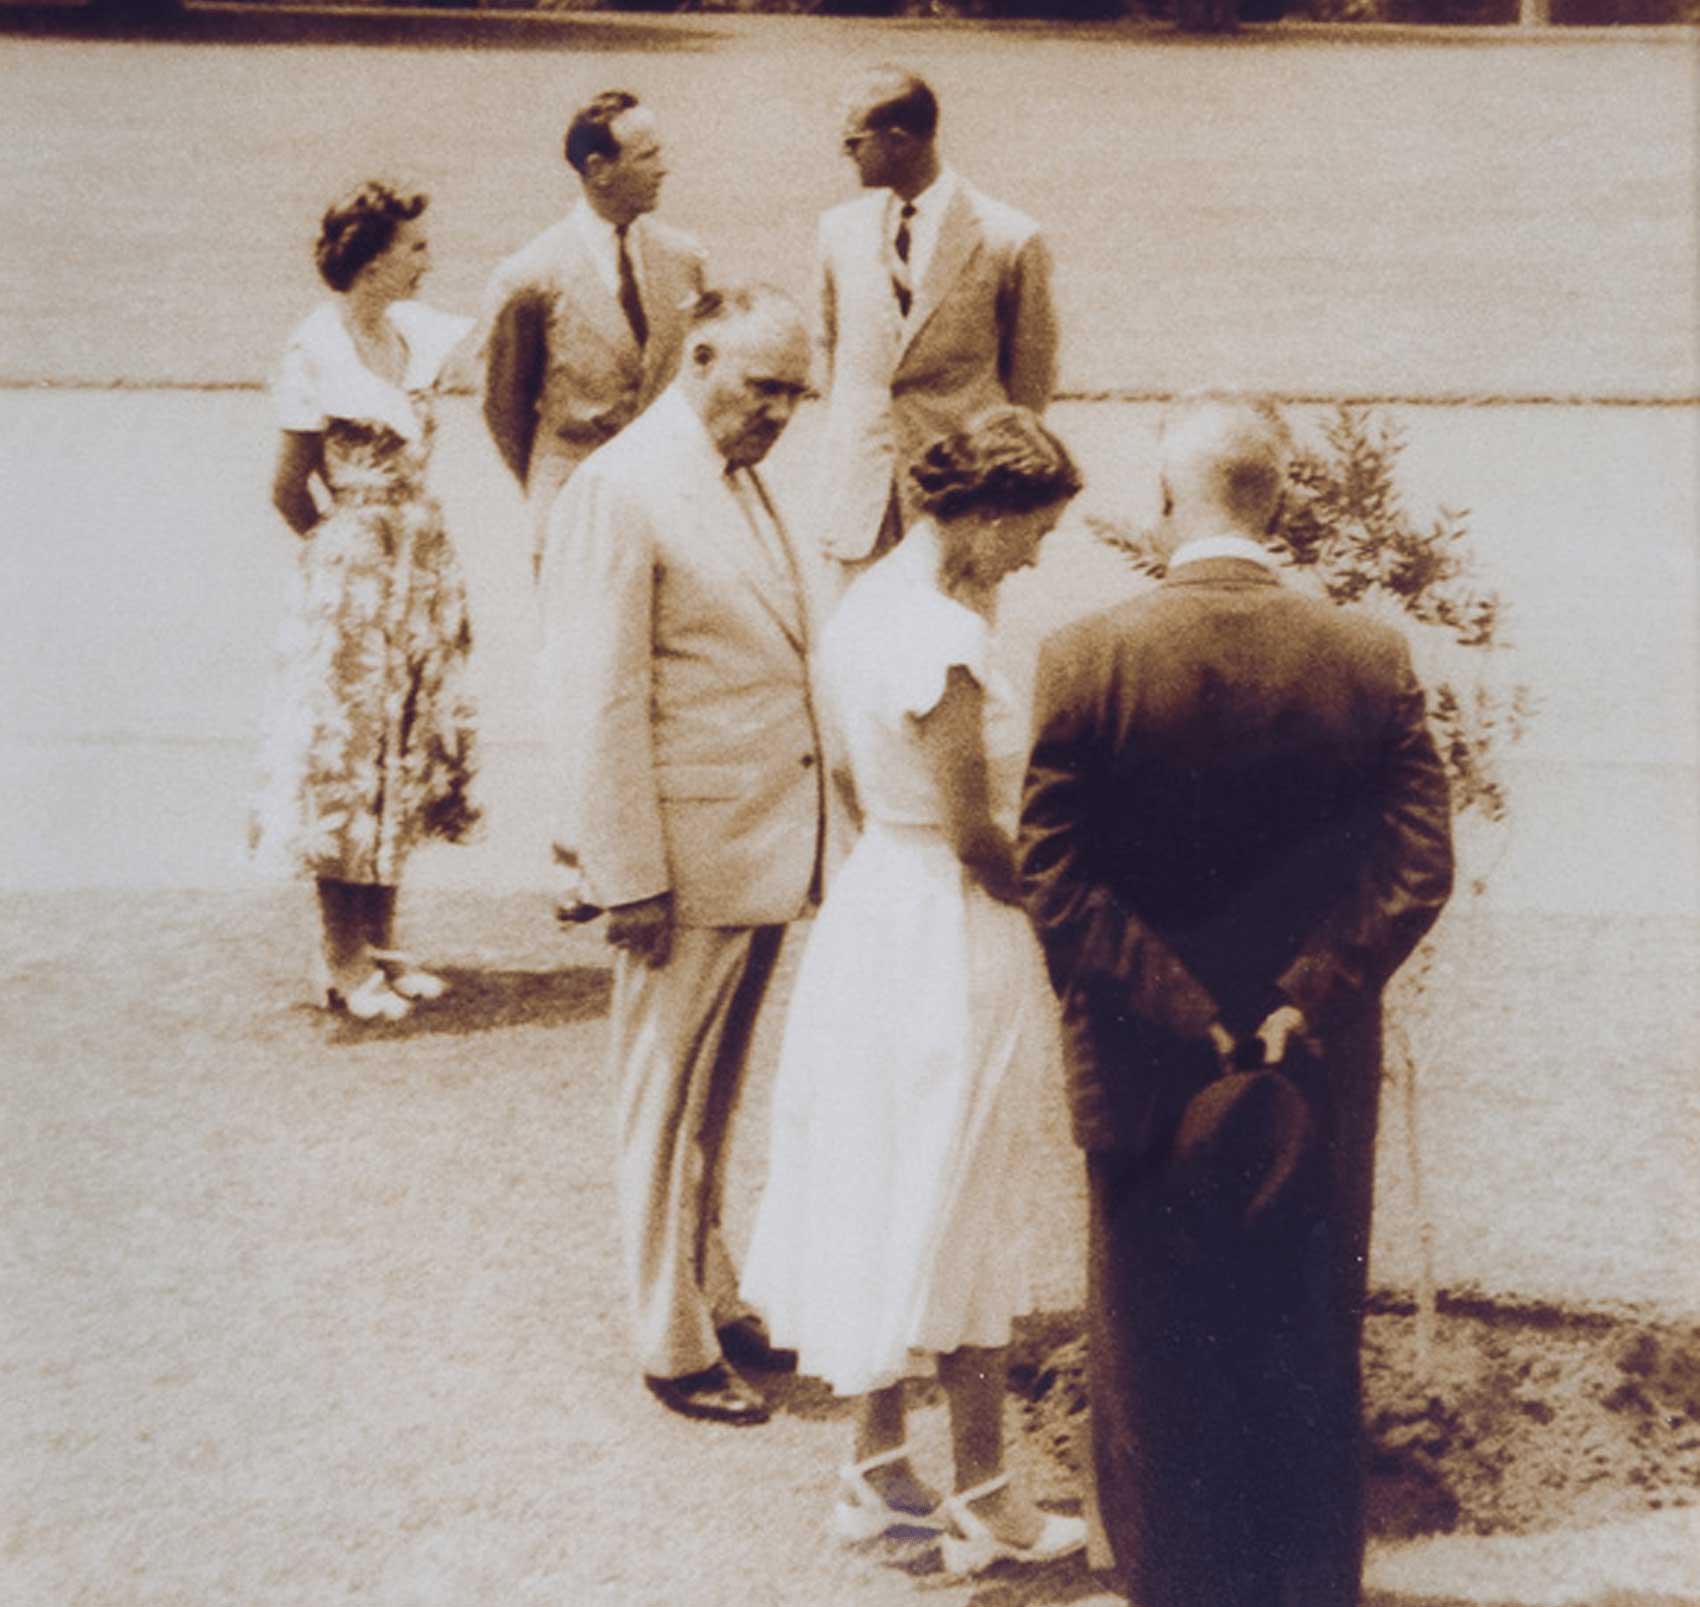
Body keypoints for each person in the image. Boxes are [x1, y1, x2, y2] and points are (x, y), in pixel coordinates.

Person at [1019, 398, 1456, 1607]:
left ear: (1168, 503)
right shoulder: (1368, 658)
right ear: (1277, 500)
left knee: (1153, 1354)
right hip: (1309, 1067)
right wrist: (1298, 999)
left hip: (1143, 1064)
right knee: (1305, 1338)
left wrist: (1185, 1007)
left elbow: (1053, 876)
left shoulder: (1085, 657)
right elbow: (1416, 866)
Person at [741, 405, 1088, 1576]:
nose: (1037, 555)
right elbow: (979, 836)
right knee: (959, 1181)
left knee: (893, 1174)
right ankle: (985, 1496)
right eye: (1032, 532)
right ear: (982, 517)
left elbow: (853, 777)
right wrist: (1075, 914)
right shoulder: (941, 634)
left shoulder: (866, 606)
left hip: (875, 908)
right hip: (947, 924)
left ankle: (878, 1467)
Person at [537, 286, 823, 1426]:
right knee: (660, 1102)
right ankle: (669, 1341)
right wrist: (627, 871)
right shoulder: (620, 486)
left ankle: (710, 1288)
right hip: (680, 860)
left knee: (712, 1100)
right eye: (763, 386)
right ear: (698, 358)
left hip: (757, 843)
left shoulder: (738, 476)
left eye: (795, 392)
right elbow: (591, 696)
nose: (781, 412)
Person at [252, 181, 481, 1025]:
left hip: (418, 566)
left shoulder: (409, 333)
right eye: (415, 247)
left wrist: (406, 561)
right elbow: (287, 487)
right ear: (375, 256)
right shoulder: (316, 345)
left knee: (403, 749)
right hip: (353, 574)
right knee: (345, 761)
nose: (427, 259)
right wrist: (344, 564)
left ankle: (380, 944)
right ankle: (341, 959)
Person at [813, 66, 1059, 586]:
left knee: (952, 652)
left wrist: (996, 484)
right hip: (862, 498)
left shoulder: (1007, 238)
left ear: (899, 140)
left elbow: (1029, 383)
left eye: (854, 140)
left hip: (959, 501)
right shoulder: (838, 232)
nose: (845, 152)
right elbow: (833, 350)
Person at [481, 90, 708, 575]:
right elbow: (504, 407)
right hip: (573, 506)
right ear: (599, 169)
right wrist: (553, 484)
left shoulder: (685, 260)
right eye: (648, 155)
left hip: (671, 505)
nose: (663, 168)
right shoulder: (531, 275)